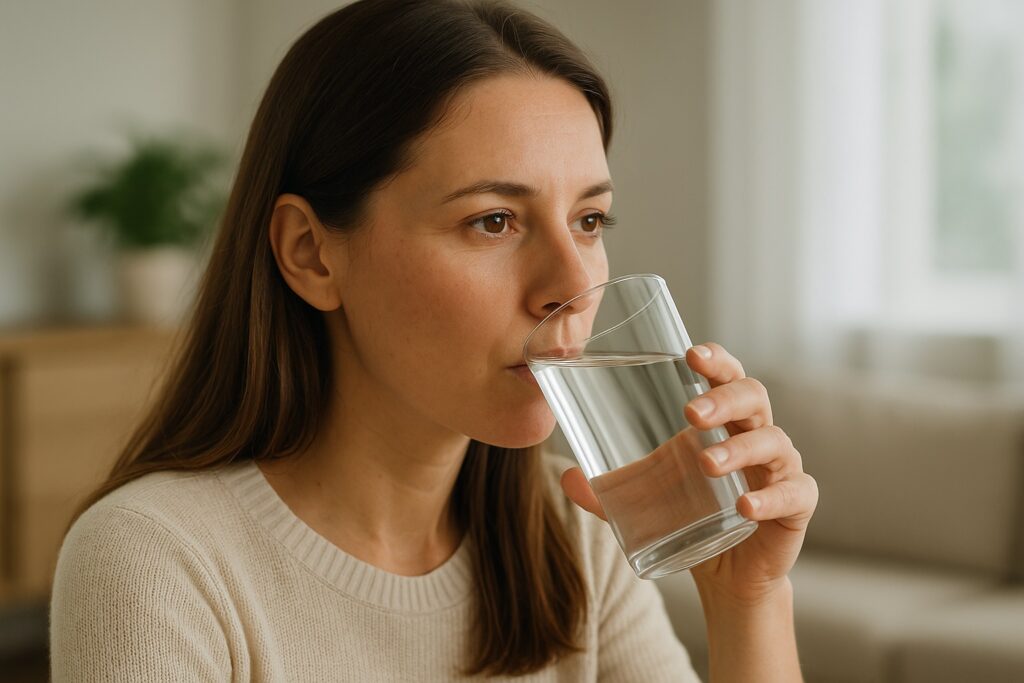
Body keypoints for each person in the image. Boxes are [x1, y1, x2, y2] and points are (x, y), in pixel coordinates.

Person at [50, 0, 818, 680]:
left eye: (588, 220)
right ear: (311, 253)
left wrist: (747, 597)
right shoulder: (156, 558)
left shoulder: (572, 539)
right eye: (493, 220)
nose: (568, 283)